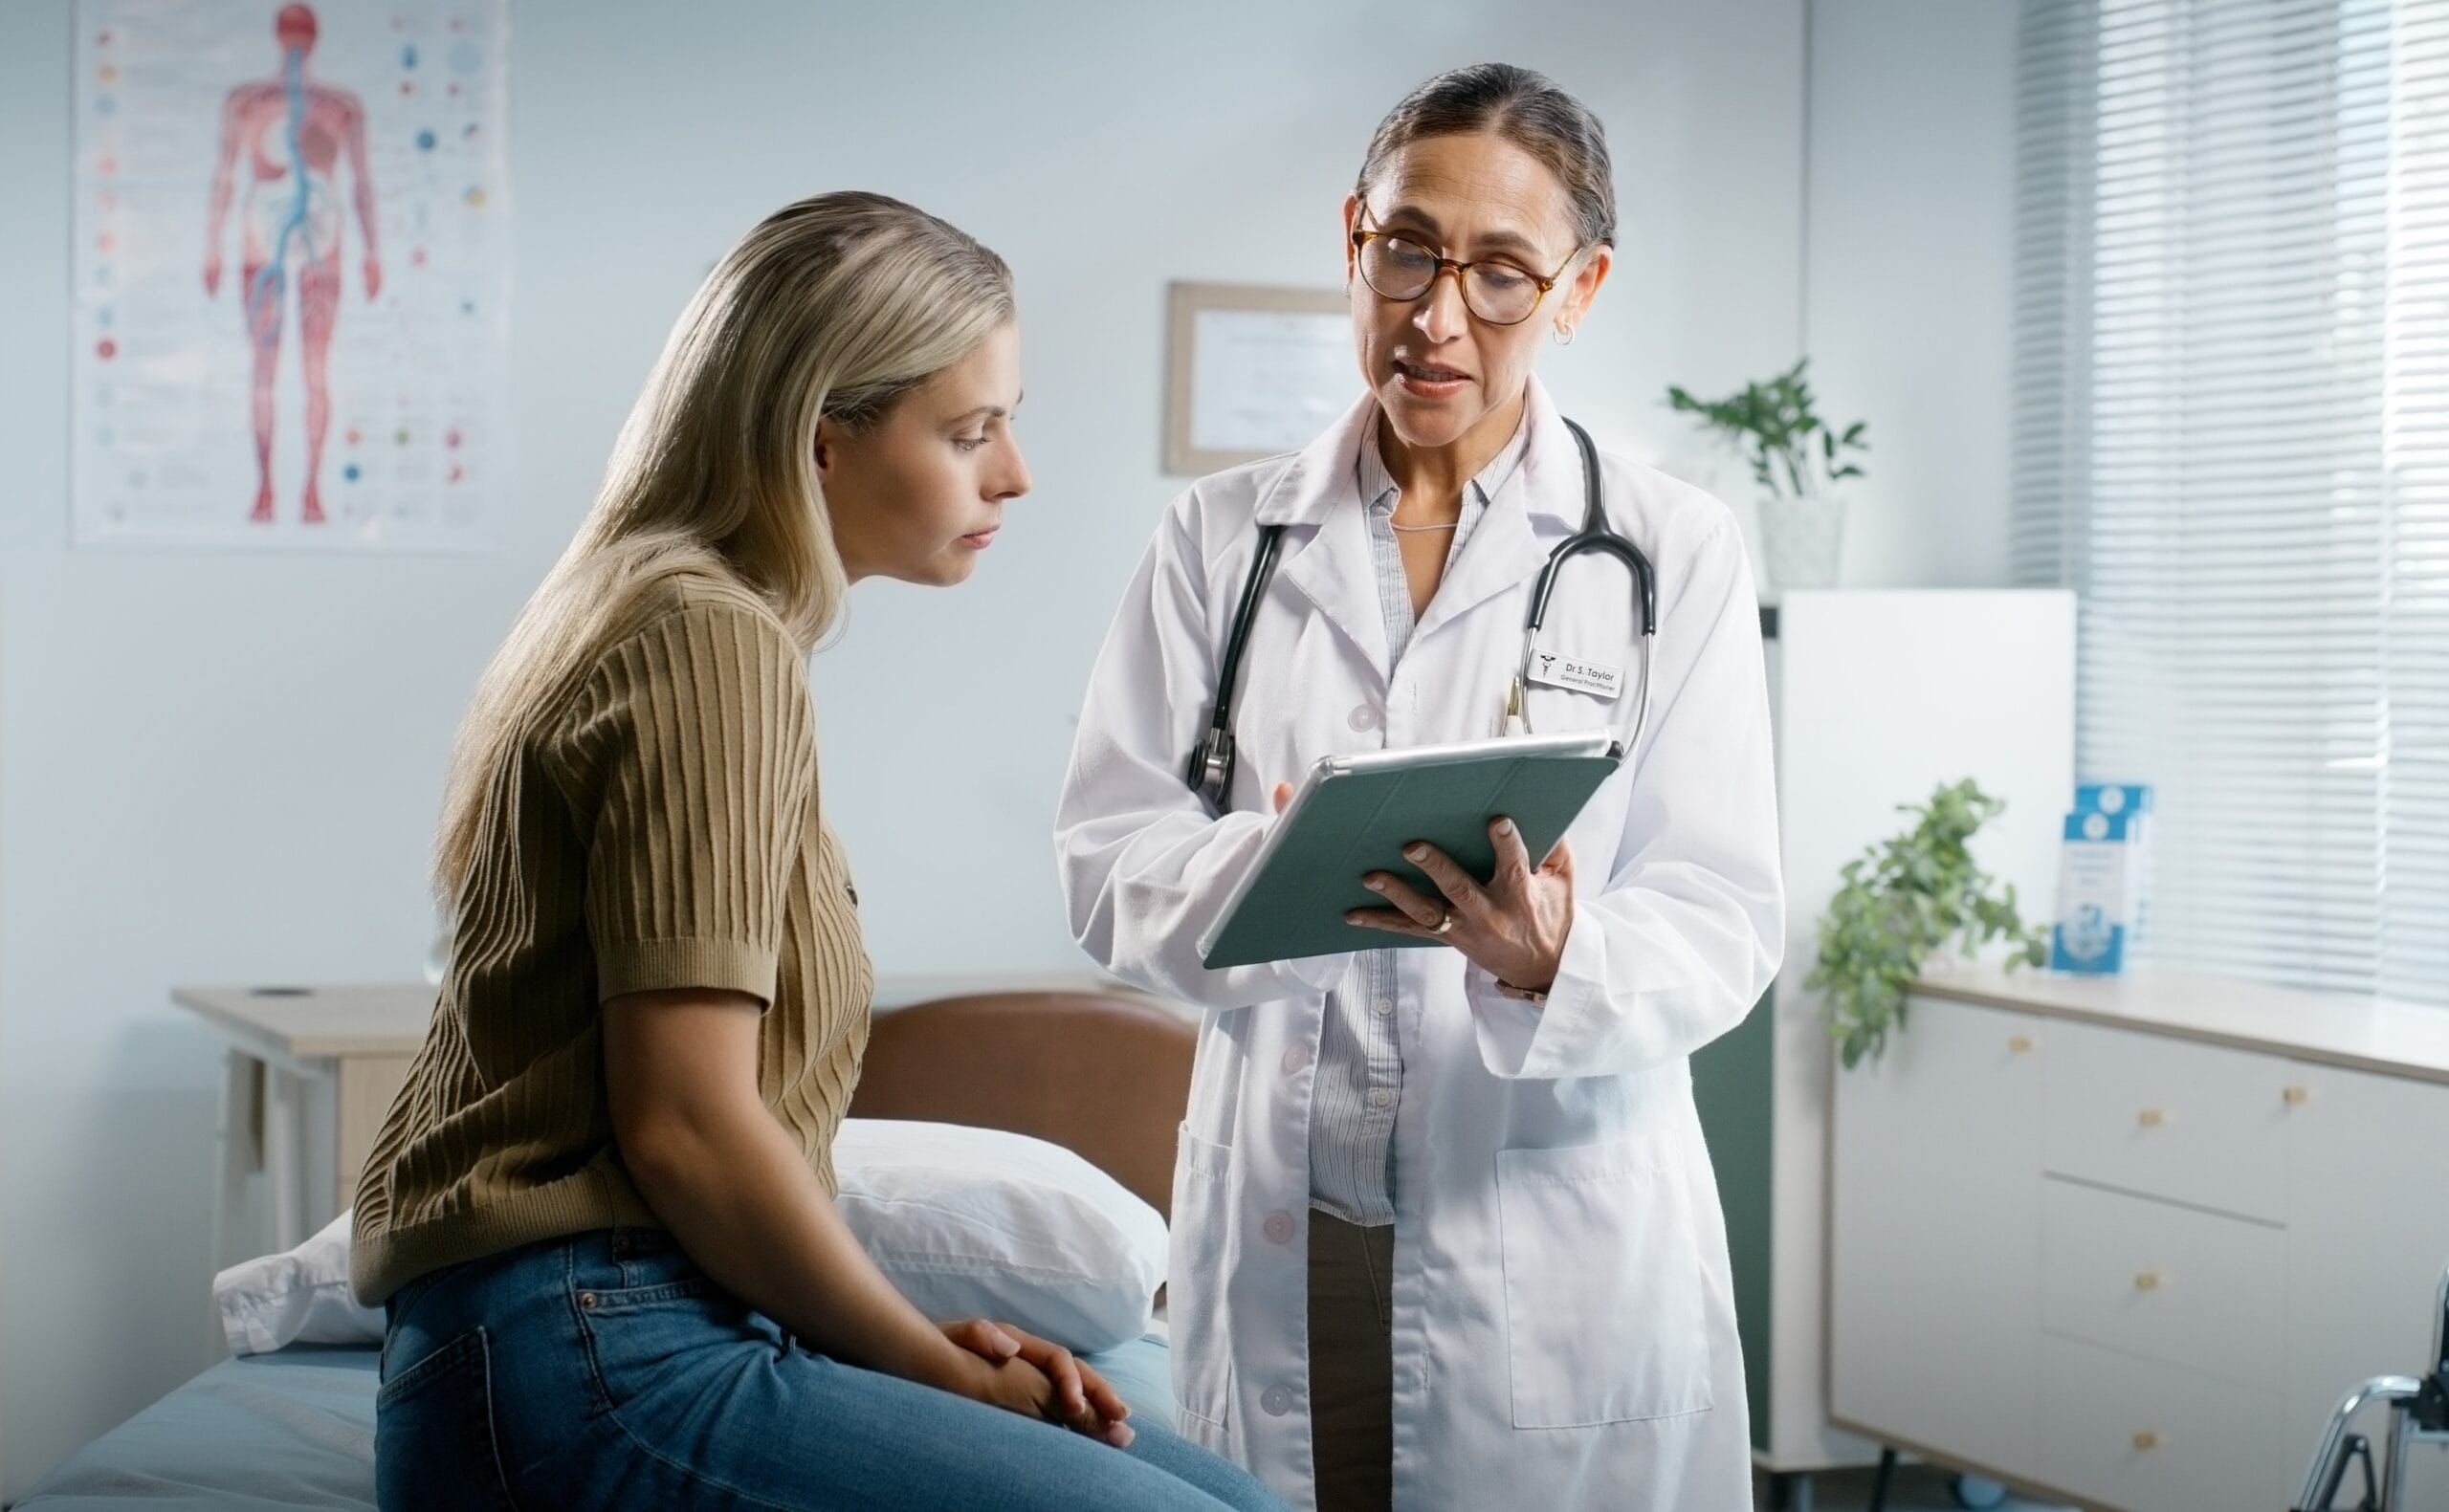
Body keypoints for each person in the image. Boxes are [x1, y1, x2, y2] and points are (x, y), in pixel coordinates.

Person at [353, 190, 1285, 1512]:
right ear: (820, 442)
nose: (1013, 474)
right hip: (587, 1353)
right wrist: (930, 1367)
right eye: (972, 432)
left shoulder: (671, 617)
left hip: (641, 1323)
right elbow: (685, 1125)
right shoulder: (706, 640)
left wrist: (903, 1345)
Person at [1056, 65, 1782, 1511]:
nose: (1438, 314)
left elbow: (1723, 908)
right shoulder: (1220, 541)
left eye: (1504, 273)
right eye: (1408, 250)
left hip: (1541, 1223)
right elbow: (1106, 852)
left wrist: (1557, 954)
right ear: (1354, 239)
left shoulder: (1670, 551)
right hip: (1287, 1221)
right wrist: (1274, 869)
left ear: (1579, 291)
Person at [202, 3, 378, 525]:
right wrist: (212, 246)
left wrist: (372, 252)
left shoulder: (340, 107)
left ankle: (311, 492)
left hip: (321, 251)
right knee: (266, 374)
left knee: (313, 373)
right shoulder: (247, 104)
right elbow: (226, 178)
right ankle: (265, 490)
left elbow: (362, 183)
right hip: (265, 247)